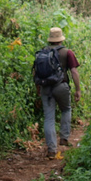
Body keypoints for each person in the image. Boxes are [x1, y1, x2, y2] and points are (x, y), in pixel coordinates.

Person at [33, 27, 81, 158]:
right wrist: (78, 89)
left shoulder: (42, 53)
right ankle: (64, 138)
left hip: (45, 88)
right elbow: (74, 72)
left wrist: (38, 88)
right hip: (61, 86)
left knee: (49, 118)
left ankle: (51, 150)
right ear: (61, 39)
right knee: (66, 109)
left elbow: (35, 72)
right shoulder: (67, 52)